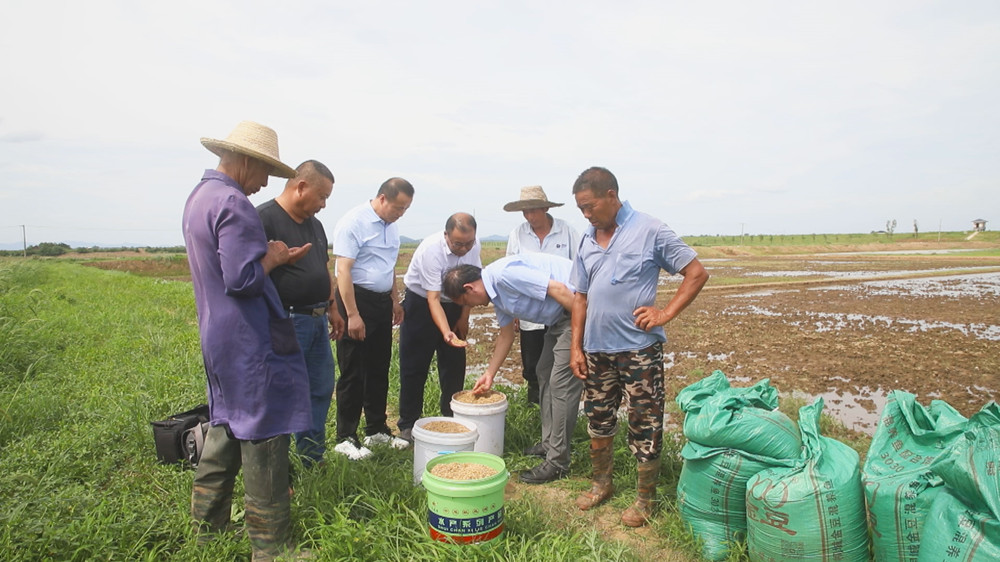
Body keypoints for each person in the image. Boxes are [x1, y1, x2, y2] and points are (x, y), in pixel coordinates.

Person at [183, 120, 312, 560]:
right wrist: (273, 258)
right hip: (246, 338)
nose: (262, 186)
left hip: (216, 334)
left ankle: (206, 530)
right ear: (245, 162)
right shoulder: (234, 203)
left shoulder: (200, 197)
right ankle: (271, 548)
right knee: (264, 432)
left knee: (225, 424)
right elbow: (242, 279)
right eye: (263, 174)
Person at [568, 166, 709, 527]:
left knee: (644, 423)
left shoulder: (650, 229)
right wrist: (576, 347)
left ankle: (645, 498)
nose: (586, 214)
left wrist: (665, 313)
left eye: (590, 206)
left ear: (611, 196)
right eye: (580, 208)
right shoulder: (586, 238)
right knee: (598, 420)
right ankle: (602, 483)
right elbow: (580, 297)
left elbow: (696, 273)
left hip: (637, 351)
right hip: (596, 351)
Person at [442, 253, 580, 484]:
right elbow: (506, 335)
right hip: (558, 319)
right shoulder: (497, 296)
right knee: (543, 372)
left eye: (466, 303)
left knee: (561, 383)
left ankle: (558, 461)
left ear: (470, 288)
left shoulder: (505, 275)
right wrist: (489, 375)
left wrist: (583, 331)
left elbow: (560, 290)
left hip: (575, 308)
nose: (471, 307)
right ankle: (550, 443)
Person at [257, 160, 345, 466]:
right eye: (322, 197)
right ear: (301, 187)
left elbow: (323, 268)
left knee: (320, 388)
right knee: (282, 394)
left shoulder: (315, 225)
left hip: (317, 319)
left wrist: (333, 307)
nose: (323, 205)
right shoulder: (263, 219)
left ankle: (311, 457)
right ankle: (276, 468)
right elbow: (249, 274)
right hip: (285, 320)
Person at [331, 178, 414, 458]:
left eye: (405, 209)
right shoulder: (354, 222)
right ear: (381, 198)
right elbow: (343, 271)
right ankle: (345, 436)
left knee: (379, 367)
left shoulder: (392, 228)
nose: (400, 213)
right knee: (353, 370)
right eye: (398, 207)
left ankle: (376, 430)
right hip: (355, 300)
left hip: (381, 303)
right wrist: (352, 315)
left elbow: (387, 267)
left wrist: (394, 300)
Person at [396, 213, 482, 443]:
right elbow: (433, 299)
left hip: (455, 302)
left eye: (468, 243)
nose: (464, 249)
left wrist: (463, 317)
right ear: (446, 236)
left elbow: (470, 287)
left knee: (454, 365)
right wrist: (446, 332)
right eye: (457, 244)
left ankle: (450, 417)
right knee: (415, 365)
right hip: (422, 303)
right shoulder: (431, 250)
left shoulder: (473, 245)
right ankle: (408, 423)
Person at [504, 186, 580, 406]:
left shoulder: (566, 231)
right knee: (533, 363)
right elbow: (511, 271)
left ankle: (560, 406)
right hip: (531, 312)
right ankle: (535, 408)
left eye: (534, 210)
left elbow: (579, 266)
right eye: (525, 212)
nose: (530, 216)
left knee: (562, 361)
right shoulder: (518, 234)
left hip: (562, 310)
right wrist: (514, 310)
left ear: (546, 208)